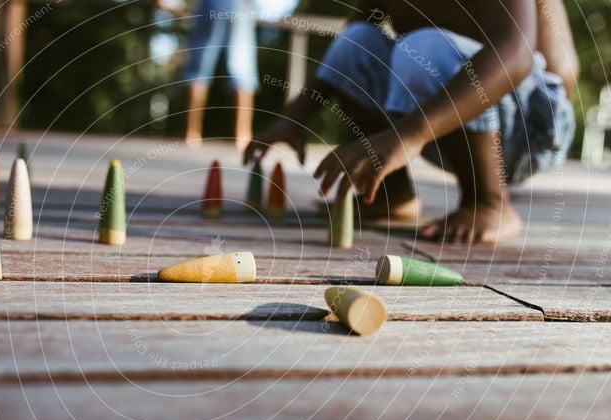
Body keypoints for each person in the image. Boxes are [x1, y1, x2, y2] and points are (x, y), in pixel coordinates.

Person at [244, 0, 579, 244]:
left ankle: (488, 201)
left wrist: (408, 136)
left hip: (530, 127)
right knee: (357, 42)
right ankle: (391, 194)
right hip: (444, 125)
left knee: (424, 46)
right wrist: (292, 120)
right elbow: (347, 53)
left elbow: (514, 56)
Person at [182, 0, 259, 149]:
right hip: (240, 6)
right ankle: (243, 136)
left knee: (199, 67)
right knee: (243, 68)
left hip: (211, 4)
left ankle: (192, 134)